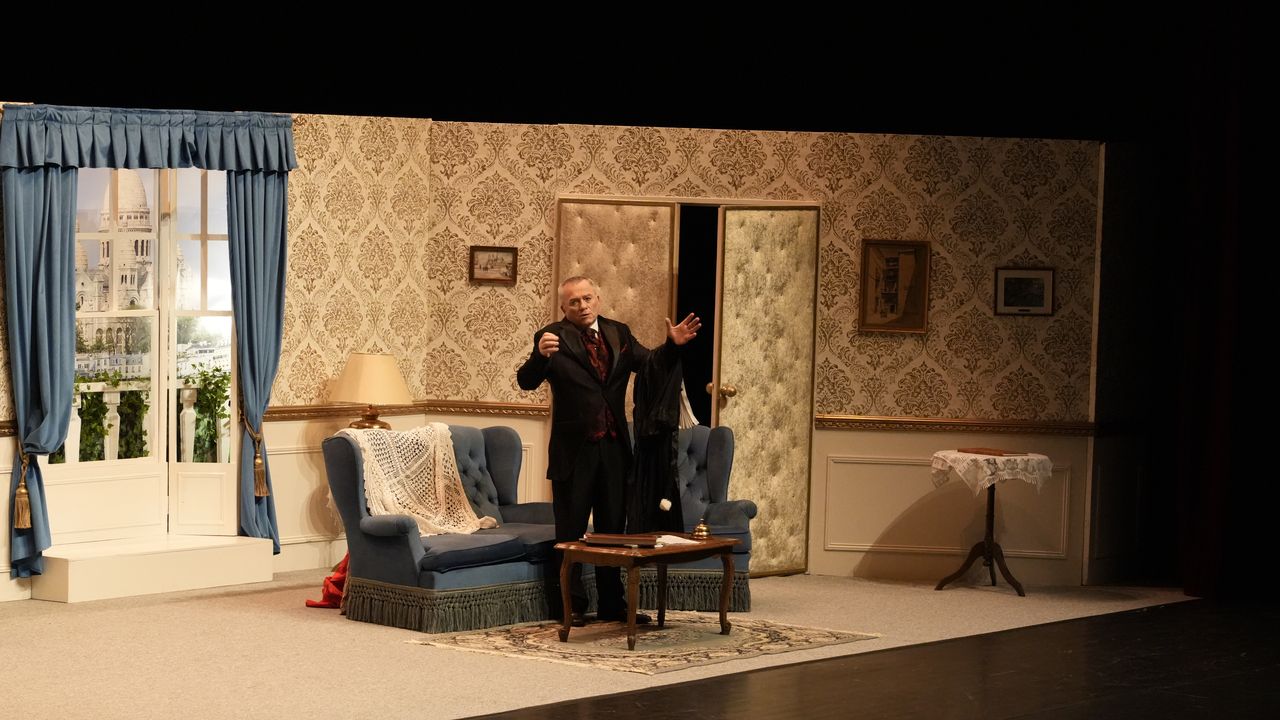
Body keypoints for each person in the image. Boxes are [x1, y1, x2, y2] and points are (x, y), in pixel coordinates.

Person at [517, 276, 700, 625]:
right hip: (574, 451)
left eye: (587, 298)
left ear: (598, 299)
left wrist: (672, 345)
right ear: (563, 307)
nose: (582, 306)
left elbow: (650, 364)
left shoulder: (619, 333)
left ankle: (612, 604)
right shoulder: (551, 336)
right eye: (574, 302)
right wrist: (539, 357)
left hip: (615, 449)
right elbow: (526, 381)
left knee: (613, 531)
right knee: (570, 531)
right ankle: (571, 606)